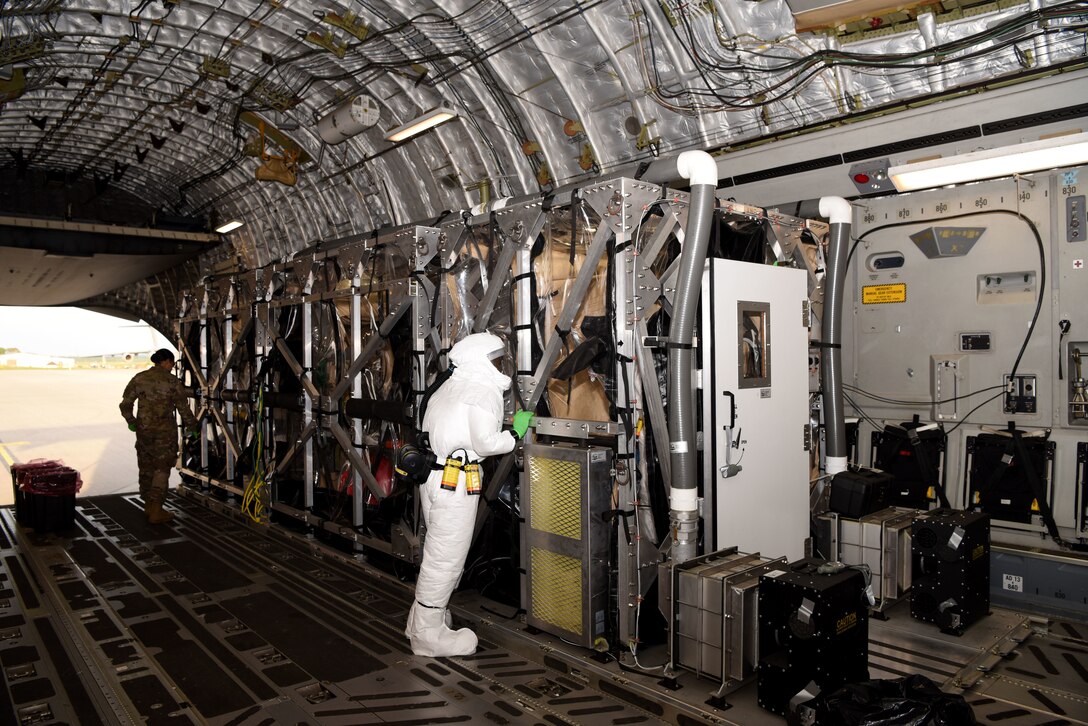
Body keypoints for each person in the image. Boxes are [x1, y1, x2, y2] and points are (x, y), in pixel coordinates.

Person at [405, 332, 533, 657]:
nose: (501, 366)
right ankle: (427, 636)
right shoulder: (481, 392)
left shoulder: (447, 387)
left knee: (435, 553)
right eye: (497, 359)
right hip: (456, 484)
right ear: (482, 360)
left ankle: (422, 619)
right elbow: (485, 444)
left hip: (435, 479)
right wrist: (515, 431)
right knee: (445, 559)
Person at [119, 349, 199, 524]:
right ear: (167, 362)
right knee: (161, 469)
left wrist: (131, 421)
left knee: (146, 467)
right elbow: (183, 409)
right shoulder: (172, 381)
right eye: (171, 363)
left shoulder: (139, 378)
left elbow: (125, 404)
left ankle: (148, 505)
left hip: (144, 432)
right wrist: (193, 427)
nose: (171, 367)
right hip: (165, 433)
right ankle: (157, 509)